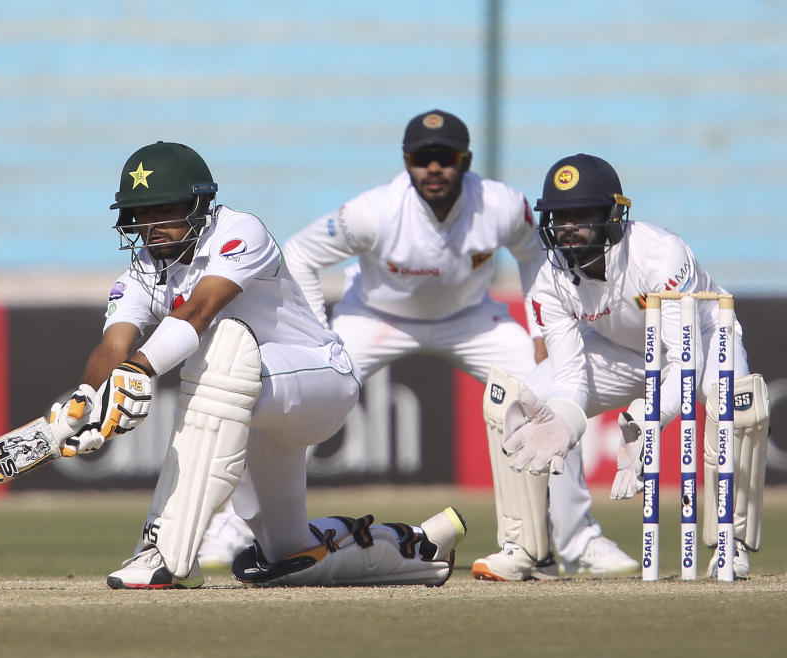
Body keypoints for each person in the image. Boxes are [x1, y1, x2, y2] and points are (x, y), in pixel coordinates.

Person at [46, 140, 467, 589]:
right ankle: (420, 549)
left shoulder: (240, 231)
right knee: (286, 552)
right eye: (140, 214)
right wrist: (86, 399)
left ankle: (165, 552)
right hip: (250, 411)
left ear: (199, 203)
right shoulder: (142, 272)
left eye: (163, 209)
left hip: (318, 380)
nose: (152, 227)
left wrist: (139, 371)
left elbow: (199, 311)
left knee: (222, 351)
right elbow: (113, 346)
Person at [273, 109, 635, 581]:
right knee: (304, 401)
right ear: (407, 163)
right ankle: (248, 532)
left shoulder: (502, 205)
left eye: (445, 157)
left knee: (544, 397)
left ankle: (575, 539)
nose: (434, 168)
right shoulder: (373, 212)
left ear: (465, 160)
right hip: (375, 318)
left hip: (471, 320)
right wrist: (317, 338)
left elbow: (532, 254)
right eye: (423, 159)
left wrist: (540, 332)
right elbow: (299, 254)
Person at [501, 153, 769, 579]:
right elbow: (570, 375)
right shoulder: (549, 281)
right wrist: (564, 422)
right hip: (616, 351)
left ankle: (729, 541)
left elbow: (684, 359)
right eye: (559, 216)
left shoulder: (660, 254)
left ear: (612, 214)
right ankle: (526, 548)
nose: (568, 227)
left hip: (703, 337)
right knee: (516, 401)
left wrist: (650, 417)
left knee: (737, 405)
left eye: (581, 214)